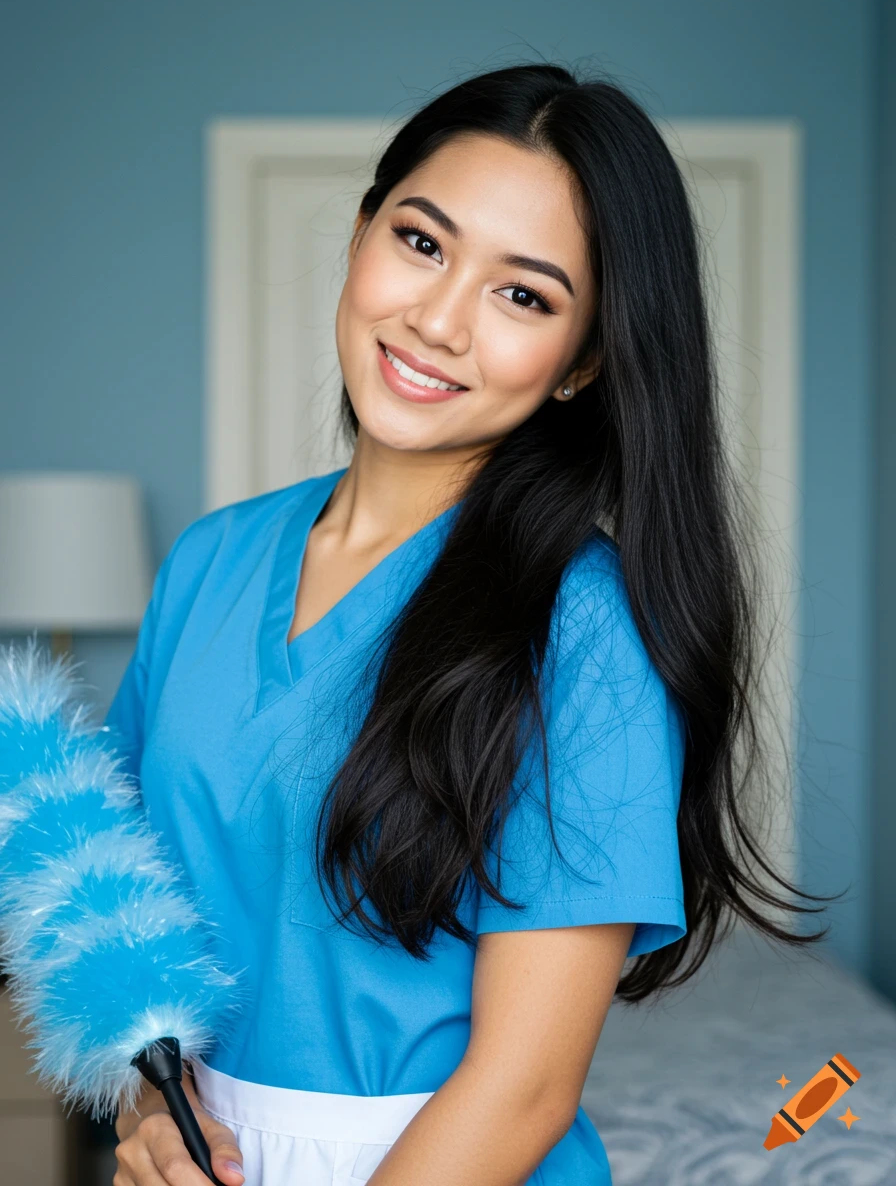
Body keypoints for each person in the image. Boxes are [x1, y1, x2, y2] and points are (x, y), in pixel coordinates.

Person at [109, 62, 835, 1186]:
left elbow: (524, 1088)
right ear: (360, 235)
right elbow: (122, 915)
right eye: (420, 242)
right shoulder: (209, 560)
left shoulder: (586, 627)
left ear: (579, 363)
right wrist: (143, 1117)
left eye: (523, 295)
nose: (437, 319)